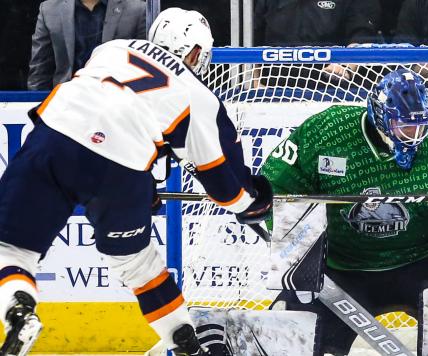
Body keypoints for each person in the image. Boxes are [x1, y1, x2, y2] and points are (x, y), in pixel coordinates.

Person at [0, 7, 271, 356]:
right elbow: (224, 188)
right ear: (194, 52)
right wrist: (253, 203)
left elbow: (109, 108)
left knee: (10, 249)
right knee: (138, 263)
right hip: (121, 163)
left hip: (55, 133)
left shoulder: (112, 48)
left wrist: (145, 187)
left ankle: (18, 310)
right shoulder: (199, 97)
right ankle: (185, 342)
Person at [260, 68, 428, 355]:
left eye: (421, 126)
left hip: (427, 261)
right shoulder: (326, 131)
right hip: (343, 269)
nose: (414, 136)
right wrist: (266, 213)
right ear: (379, 116)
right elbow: (276, 187)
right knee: (286, 342)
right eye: (404, 126)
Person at [253, 0, 382, 85]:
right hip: (274, 89)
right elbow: (254, 44)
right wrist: (256, 85)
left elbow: (361, 37)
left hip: (331, 88)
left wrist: (345, 66)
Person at [27, 0, 146, 90]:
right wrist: (35, 106)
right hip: (65, 102)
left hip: (116, 103)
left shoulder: (137, 10)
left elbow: (144, 68)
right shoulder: (50, 9)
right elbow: (40, 70)